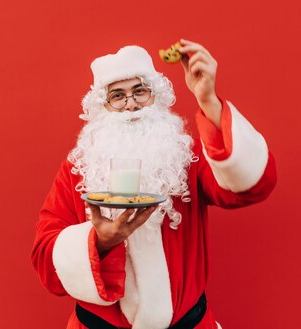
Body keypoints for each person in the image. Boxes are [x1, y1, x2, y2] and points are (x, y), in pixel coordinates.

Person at [31, 39, 277, 329]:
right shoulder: (79, 169)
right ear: (103, 108)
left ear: (155, 96)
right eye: (117, 97)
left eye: (140, 91)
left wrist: (209, 100)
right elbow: (47, 263)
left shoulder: (187, 156)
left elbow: (252, 186)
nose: (131, 104)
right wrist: (101, 242)